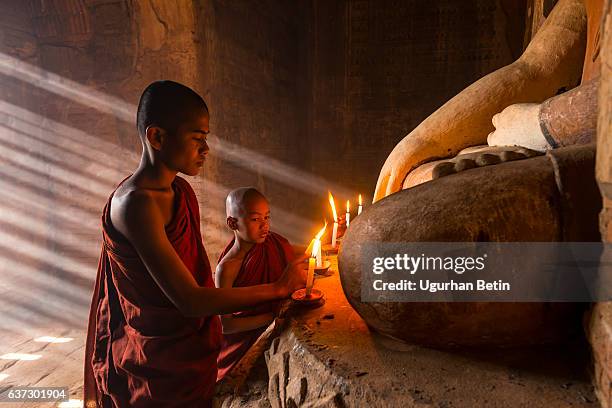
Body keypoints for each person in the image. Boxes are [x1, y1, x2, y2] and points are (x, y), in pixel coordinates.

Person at [83, 80, 307, 407]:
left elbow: (193, 273)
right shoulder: (135, 205)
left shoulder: (181, 192)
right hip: (158, 357)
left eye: (206, 139)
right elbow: (190, 300)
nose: (206, 150)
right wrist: (278, 288)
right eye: (197, 139)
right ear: (157, 137)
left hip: (190, 344)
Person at [215, 187, 296, 381]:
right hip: (243, 344)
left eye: (267, 217)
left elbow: (310, 253)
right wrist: (271, 318)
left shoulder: (275, 244)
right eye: (255, 219)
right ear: (232, 222)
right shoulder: (227, 268)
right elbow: (226, 325)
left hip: (277, 329)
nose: (264, 226)